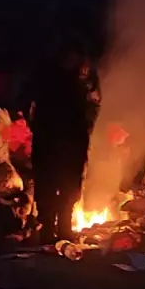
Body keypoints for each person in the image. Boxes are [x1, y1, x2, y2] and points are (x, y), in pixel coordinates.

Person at [21, 39, 98, 241]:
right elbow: (26, 98)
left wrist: (87, 126)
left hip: (74, 140)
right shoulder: (44, 74)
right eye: (67, 55)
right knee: (47, 183)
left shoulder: (85, 75)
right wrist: (35, 125)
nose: (70, 60)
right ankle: (47, 228)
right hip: (48, 138)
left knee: (70, 186)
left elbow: (94, 102)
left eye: (74, 55)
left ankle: (65, 227)